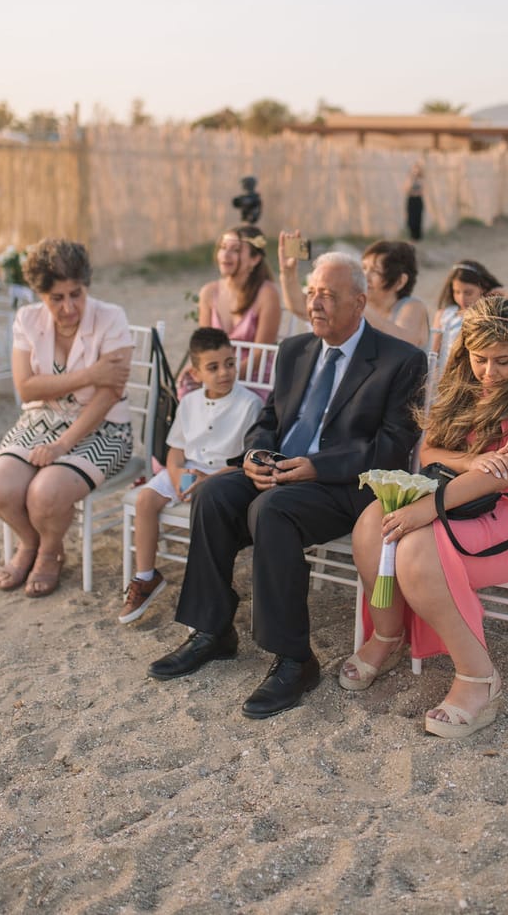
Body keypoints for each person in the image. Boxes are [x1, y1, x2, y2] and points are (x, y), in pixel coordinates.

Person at [147, 252, 427, 720]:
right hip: (279, 472)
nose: (315, 303)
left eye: (328, 296)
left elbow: (392, 448)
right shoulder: (295, 351)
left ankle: (295, 659)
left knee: (271, 510)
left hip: (344, 485)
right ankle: (214, 631)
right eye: (312, 293)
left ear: (359, 302)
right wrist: (256, 454)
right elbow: (270, 419)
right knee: (214, 494)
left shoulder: (400, 361)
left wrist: (316, 466)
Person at [341, 296, 508, 740]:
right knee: (372, 524)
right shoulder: (464, 380)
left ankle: (478, 677)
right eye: (480, 360)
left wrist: (428, 508)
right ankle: (389, 634)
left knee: (415, 547)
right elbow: (430, 451)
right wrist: (472, 462)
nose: (489, 372)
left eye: (502, 361)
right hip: (466, 494)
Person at [0, 239, 134, 597]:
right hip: (40, 421)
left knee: (44, 494)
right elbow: (26, 388)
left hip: (105, 427)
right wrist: (90, 374)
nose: (68, 307)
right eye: (56, 298)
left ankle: (49, 553)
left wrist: (62, 445)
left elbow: (109, 393)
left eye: (76, 294)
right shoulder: (27, 319)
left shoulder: (112, 317)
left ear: (86, 286)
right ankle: (31, 542)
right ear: (40, 294)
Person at [120, 327, 263, 624]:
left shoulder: (250, 404)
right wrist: (176, 476)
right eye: (213, 367)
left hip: (225, 475)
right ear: (196, 373)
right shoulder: (189, 403)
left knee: (204, 503)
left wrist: (206, 481)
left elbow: (246, 461)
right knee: (146, 500)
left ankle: (207, 585)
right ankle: (146, 577)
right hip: (187, 469)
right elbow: (175, 450)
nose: (224, 372)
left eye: (230, 363)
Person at [277, 235, 431, 352]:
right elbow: (300, 308)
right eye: (363, 268)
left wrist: (359, 305)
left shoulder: (413, 307)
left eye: (375, 271)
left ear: (400, 281)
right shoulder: (361, 305)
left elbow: (404, 343)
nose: (365, 275)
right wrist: (288, 273)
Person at [178, 225, 281, 396]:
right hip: (215, 374)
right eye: (223, 248)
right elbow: (205, 346)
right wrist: (207, 373)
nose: (225, 255)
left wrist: (225, 377)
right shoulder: (209, 292)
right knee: (187, 386)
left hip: (253, 377)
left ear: (254, 259)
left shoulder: (267, 293)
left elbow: (260, 354)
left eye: (235, 250)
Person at [431, 259, 508, 372]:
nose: (461, 298)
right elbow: (433, 352)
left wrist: (507, 293)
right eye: (456, 292)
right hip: (443, 374)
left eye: (468, 293)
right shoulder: (443, 314)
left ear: (483, 288)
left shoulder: (488, 315)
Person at [405, 163, 425, 241]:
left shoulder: (421, 179)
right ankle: (412, 236)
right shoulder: (409, 179)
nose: (416, 171)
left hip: (418, 201)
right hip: (411, 200)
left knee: (418, 218)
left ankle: (417, 237)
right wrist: (412, 180)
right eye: (414, 169)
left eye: (417, 170)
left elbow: (422, 191)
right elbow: (406, 189)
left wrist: (413, 192)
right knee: (411, 219)